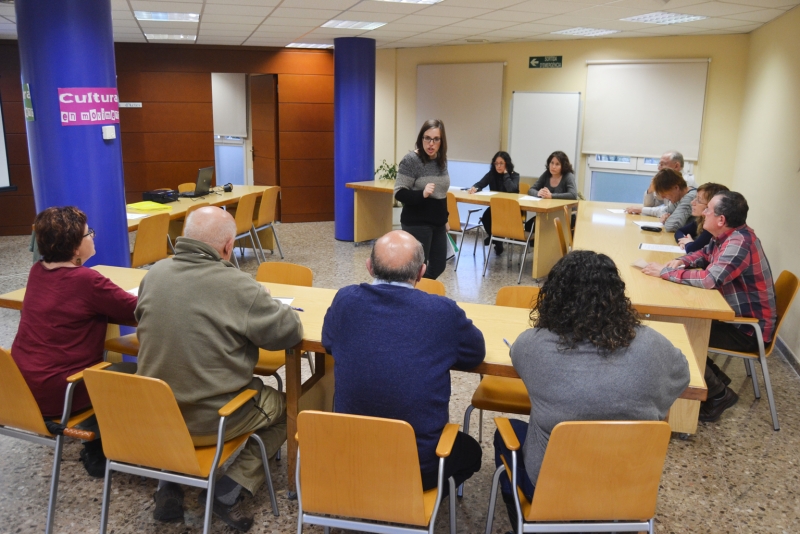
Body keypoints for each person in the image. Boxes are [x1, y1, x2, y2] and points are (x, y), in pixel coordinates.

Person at [495, 250, 690, 531]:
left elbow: (521, 364)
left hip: (552, 485)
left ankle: (529, 523)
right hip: (628, 487)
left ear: (554, 295)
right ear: (616, 296)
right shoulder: (654, 346)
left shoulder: (532, 345)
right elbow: (681, 375)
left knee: (506, 433)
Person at [135, 206, 303, 531]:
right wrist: (261, 298)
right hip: (214, 419)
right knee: (290, 409)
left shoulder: (153, 275)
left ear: (182, 238)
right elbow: (290, 332)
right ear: (228, 247)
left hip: (157, 419)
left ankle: (167, 485)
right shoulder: (238, 286)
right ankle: (232, 487)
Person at [321, 230, 485, 493]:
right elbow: (475, 354)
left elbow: (328, 342)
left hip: (349, 460)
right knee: (472, 452)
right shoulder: (442, 312)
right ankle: (414, 508)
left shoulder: (345, 300)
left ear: (369, 266)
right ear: (422, 272)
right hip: (419, 470)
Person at [11, 206, 138, 478]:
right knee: (139, 377)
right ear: (75, 247)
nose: (93, 236)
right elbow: (136, 310)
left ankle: (97, 436)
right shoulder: (86, 281)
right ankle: (100, 442)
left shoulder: (38, 271)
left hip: (21, 389)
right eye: (87, 233)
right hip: (63, 391)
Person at [643, 191, 776, 423]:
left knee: (676, 335)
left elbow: (709, 280)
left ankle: (718, 395)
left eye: (708, 210)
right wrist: (682, 261)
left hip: (747, 330)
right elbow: (703, 254)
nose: (703, 212)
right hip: (735, 318)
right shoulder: (724, 236)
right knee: (679, 327)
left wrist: (666, 272)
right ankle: (715, 380)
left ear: (721, 219)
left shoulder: (739, 242)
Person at [395, 119, 450, 280]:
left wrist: (445, 218)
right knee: (417, 267)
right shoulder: (411, 160)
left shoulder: (441, 160)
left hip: (438, 223)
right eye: (427, 138)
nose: (431, 143)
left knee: (439, 265)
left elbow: (442, 192)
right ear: (421, 139)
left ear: (441, 141)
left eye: (436, 139)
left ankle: (419, 291)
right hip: (417, 222)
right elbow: (399, 192)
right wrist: (422, 194)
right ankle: (415, 298)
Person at [469, 151, 520, 255]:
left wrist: (506, 174)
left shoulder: (514, 176)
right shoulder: (492, 174)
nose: (498, 166)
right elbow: (480, 183)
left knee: (495, 218)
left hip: (509, 209)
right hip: (496, 207)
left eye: (501, 163)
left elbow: (512, 190)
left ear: (507, 163)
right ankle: (497, 240)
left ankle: (495, 239)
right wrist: (475, 188)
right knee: (486, 217)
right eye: (496, 163)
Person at [626, 150, 696, 217]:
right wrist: (650, 190)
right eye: (659, 164)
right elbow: (650, 206)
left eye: (662, 164)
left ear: (676, 166)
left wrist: (641, 210)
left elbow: (668, 210)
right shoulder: (667, 180)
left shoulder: (685, 183)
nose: (659, 168)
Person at [525, 151, 577, 232]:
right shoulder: (546, 174)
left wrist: (551, 196)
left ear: (563, 166)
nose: (553, 166)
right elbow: (531, 190)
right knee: (528, 226)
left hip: (564, 215)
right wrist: (538, 193)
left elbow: (573, 195)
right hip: (547, 214)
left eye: (557, 164)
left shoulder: (568, 176)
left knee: (550, 229)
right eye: (551, 163)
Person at [632, 168, 697, 232]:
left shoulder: (691, 197)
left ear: (676, 188)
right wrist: (666, 216)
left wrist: (667, 219)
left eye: (664, 193)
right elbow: (665, 211)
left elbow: (673, 226)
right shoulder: (680, 197)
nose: (663, 197)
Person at [674, 183, 729, 253]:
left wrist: (688, 243)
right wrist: (684, 240)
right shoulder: (701, 219)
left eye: (698, 200)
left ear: (711, 205)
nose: (692, 202)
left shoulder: (713, 226)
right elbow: (680, 231)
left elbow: (693, 249)